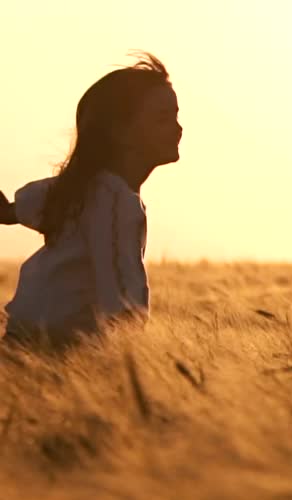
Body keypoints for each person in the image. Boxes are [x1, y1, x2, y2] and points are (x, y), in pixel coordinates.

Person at [0, 53, 181, 350]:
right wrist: (136, 361)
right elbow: (123, 299)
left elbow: (16, 209)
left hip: (21, 338)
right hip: (54, 349)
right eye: (163, 118)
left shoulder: (79, 188)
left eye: (176, 115)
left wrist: (8, 212)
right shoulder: (116, 204)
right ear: (119, 133)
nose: (178, 128)